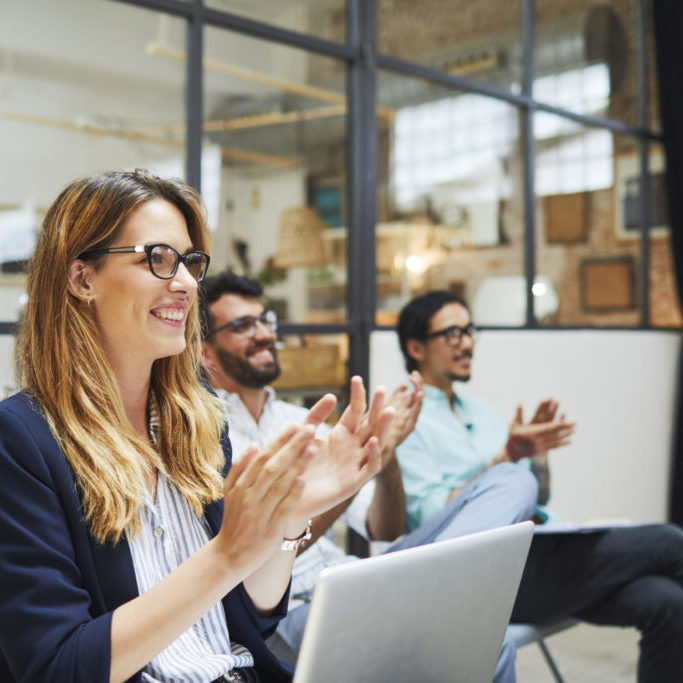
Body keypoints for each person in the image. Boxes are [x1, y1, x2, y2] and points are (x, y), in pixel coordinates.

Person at [0, 169, 394, 683]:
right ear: (82, 279)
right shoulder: (22, 440)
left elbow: (251, 614)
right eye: (158, 259)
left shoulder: (198, 416)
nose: (186, 283)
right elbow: (59, 667)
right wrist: (227, 554)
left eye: (190, 262)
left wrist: (291, 517)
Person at [200, 270, 539, 683]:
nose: (263, 334)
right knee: (490, 644)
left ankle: (441, 592)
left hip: (352, 582)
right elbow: (252, 558)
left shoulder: (307, 421)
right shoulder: (204, 436)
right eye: (241, 326)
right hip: (282, 620)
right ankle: (444, 600)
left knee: (513, 480)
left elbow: (384, 527)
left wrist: (385, 454)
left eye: (264, 321)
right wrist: (351, 476)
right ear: (205, 352)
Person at [396, 289, 683, 683]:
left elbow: (539, 495)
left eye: (469, 330)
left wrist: (537, 459)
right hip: (486, 576)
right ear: (416, 347)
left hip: (542, 554)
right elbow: (434, 520)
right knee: (668, 541)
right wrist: (505, 459)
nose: (466, 342)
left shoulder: (482, 411)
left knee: (668, 603)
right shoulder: (405, 422)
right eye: (452, 333)